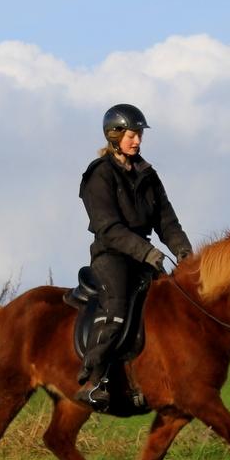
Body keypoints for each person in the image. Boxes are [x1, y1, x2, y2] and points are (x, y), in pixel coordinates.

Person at [75, 103, 193, 409]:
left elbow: (167, 222)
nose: (137, 140)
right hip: (111, 255)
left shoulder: (148, 175)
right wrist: (147, 251)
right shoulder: (99, 175)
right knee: (116, 309)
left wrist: (185, 254)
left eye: (139, 134)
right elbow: (108, 227)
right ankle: (93, 380)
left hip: (142, 258)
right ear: (114, 136)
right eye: (131, 135)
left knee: (172, 304)